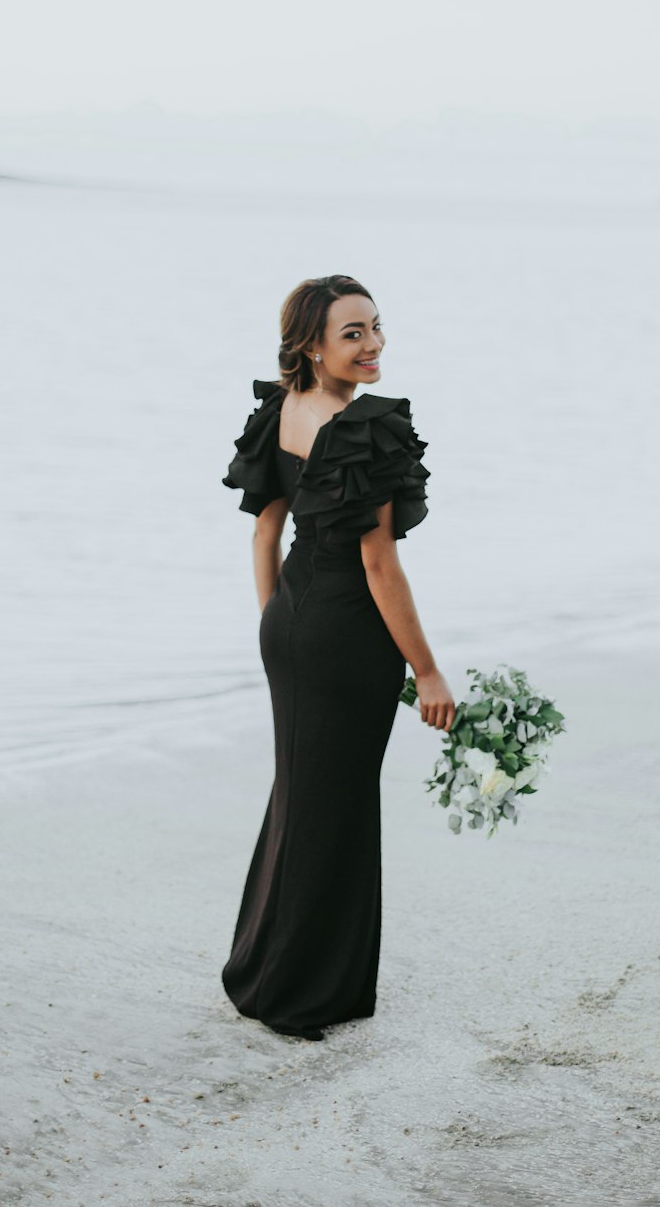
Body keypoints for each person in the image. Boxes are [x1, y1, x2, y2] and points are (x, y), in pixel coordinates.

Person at [220, 273, 456, 1041]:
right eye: (352, 333)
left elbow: (265, 535)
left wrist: (278, 629)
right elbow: (379, 566)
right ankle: (298, 994)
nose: (373, 344)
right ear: (310, 346)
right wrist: (426, 669)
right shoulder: (362, 430)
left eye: (376, 327)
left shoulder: (280, 411)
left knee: (300, 796)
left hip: (290, 625)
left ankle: (262, 973)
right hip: (346, 635)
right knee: (336, 808)